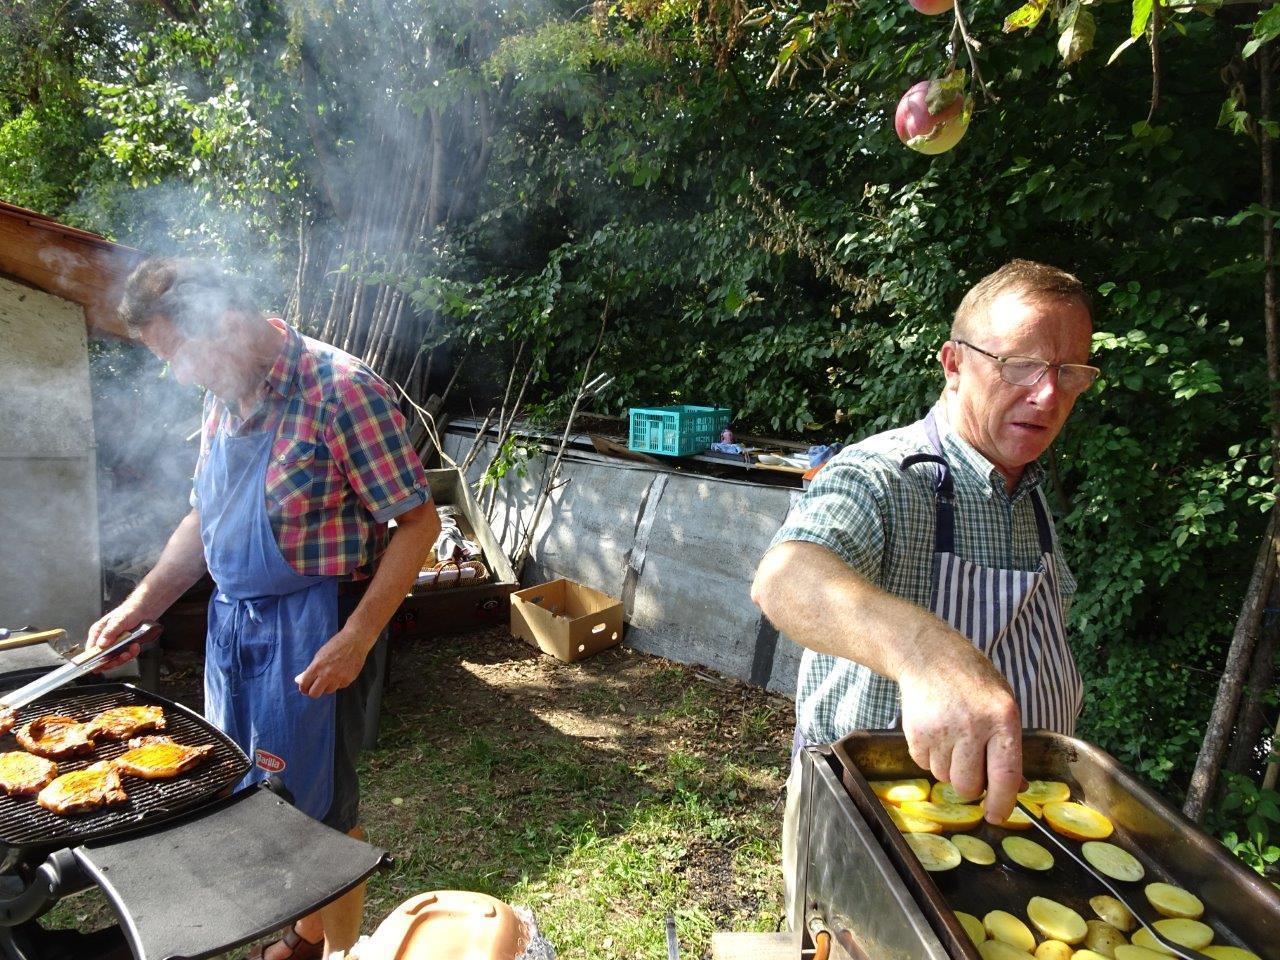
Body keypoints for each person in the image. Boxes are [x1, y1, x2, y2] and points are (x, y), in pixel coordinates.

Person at [88, 258, 441, 960]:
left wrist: (357, 637)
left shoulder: (342, 391)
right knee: (252, 790)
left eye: (181, 355)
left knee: (321, 812)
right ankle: (304, 933)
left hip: (318, 626)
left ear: (226, 322)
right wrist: (140, 607)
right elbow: (203, 519)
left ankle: (338, 952)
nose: (181, 377)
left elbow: (417, 523)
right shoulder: (226, 394)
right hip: (237, 627)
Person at [751, 260, 1100, 919]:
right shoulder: (883, 474)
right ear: (954, 363)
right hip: (878, 830)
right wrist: (927, 653)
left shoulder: (1030, 495)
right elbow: (786, 577)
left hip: (1011, 819)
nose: (1049, 395)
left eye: (1069, 372)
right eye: (1021, 365)